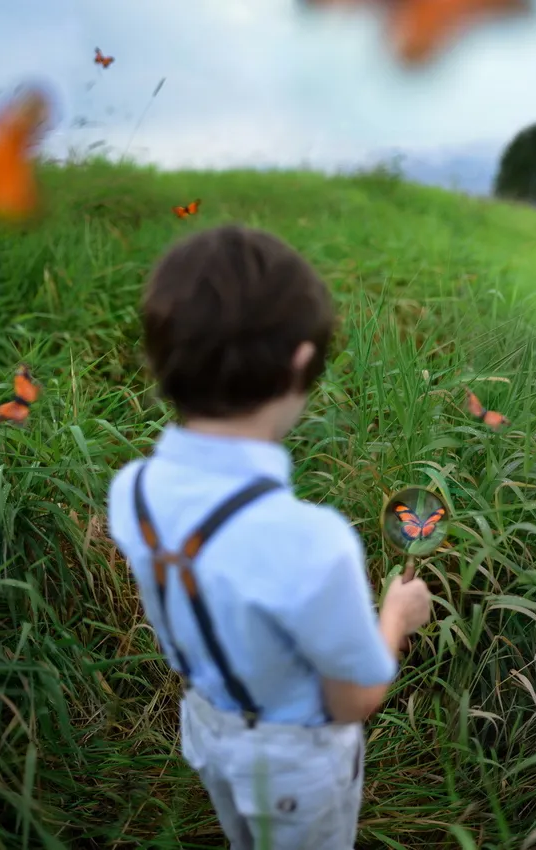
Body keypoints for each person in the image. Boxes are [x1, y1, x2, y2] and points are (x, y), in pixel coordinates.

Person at [106, 224, 433, 849]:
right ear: (301, 362)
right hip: (295, 766)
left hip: (207, 728)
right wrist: (395, 618)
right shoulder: (311, 541)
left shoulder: (132, 491)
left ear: (158, 359)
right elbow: (352, 701)